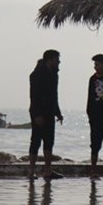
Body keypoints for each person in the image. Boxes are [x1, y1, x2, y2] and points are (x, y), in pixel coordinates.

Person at [28, 49, 64, 181]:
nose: (59, 62)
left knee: (49, 141)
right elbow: (34, 96)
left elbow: (54, 95)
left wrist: (58, 112)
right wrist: (37, 115)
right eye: (57, 59)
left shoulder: (54, 75)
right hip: (37, 111)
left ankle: (48, 170)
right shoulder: (36, 75)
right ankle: (31, 171)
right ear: (50, 60)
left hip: (49, 111)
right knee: (36, 140)